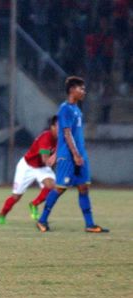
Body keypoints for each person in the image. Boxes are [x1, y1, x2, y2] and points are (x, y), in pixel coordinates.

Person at [36, 76, 109, 233]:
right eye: (80, 88)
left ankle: (90, 224)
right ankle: (42, 220)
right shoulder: (65, 109)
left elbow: (72, 135)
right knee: (60, 188)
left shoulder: (76, 109)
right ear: (71, 90)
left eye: (84, 88)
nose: (84, 91)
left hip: (79, 155)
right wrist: (75, 155)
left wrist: (79, 154)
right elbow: (67, 134)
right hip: (68, 157)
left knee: (83, 188)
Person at [0, 116, 58, 224]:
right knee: (16, 197)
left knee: (52, 187)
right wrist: (58, 159)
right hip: (27, 166)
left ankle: (34, 204)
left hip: (41, 168)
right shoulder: (46, 138)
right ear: (52, 127)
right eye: (59, 126)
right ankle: (2, 214)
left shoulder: (61, 139)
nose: (62, 129)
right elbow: (45, 160)